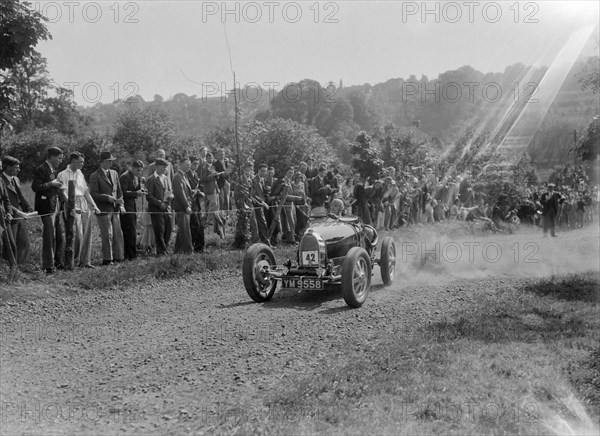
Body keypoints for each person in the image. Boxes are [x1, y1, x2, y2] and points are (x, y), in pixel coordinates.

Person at [56, 152, 101, 268]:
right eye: (80, 161)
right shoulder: (62, 174)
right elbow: (63, 193)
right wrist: (72, 206)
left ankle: (85, 261)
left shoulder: (80, 173)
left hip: (84, 203)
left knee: (87, 233)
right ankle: (73, 261)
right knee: (77, 233)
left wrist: (94, 206)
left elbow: (85, 192)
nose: (82, 164)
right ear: (73, 161)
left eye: (83, 161)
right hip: (71, 203)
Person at [32, 147, 65, 273]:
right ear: (51, 157)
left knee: (58, 236)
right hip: (46, 208)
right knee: (49, 237)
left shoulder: (52, 170)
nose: (60, 161)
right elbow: (36, 187)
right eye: (59, 158)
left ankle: (57, 263)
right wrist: (52, 184)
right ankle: (48, 266)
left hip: (55, 206)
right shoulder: (41, 169)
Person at [89, 151, 126, 265]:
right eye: (108, 161)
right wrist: (108, 198)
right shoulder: (94, 176)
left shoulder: (114, 173)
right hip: (103, 209)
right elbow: (94, 194)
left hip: (115, 209)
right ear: (101, 162)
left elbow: (119, 191)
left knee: (117, 234)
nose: (110, 164)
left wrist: (121, 204)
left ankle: (118, 257)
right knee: (107, 235)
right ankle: (107, 259)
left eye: (111, 161)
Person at [1, 156, 34, 265]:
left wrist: (28, 208)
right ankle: (10, 268)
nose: (18, 170)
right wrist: (16, 212)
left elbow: (20, 197)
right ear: (7, 167)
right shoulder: (2, 180)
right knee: (11, 243)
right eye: (16, 167)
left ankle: (21, 267)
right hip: (9, 215)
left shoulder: (16, 179)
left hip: (20, 214)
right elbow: (5, 201)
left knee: (23, 241)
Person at [146, 158, 173, 255]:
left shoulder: (166, 178)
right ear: (156, 166)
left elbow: (169, 191)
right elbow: (149, 196)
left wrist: (171, 196)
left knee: (168, 229)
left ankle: (165, 248)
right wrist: (159, 203)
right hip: (156, 209)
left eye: (166, 167)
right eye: (163, 167)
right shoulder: (151, 179)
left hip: (167, 207)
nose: (165, 169)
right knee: (159, 231)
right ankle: (161, 252)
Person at [119, 160, 145, 260]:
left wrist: (141, 188)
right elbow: (123, 192)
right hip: (125, 207)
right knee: (129, 232)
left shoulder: (136, 177)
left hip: (132, 207)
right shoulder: (125, 177)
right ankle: (129, 256)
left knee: (133, 231)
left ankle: (132, 254)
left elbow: (136, 189)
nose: (139, 172)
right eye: (138, 170)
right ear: (132, 168)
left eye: (141, 171)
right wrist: (136, 193)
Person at [198, 152, 225, 238]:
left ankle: (210, 220)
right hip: (209, 188)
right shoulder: (204, 167)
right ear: (206, 159)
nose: (211, 159)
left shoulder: (213, 166)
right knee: (212, 204)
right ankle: (209, 222)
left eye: (212, 158)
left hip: (215, 187)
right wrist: (212, 175)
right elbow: (203, 179)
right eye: (209, 158)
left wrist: (216, 175)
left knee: (212, 204)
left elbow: (215, 177)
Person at [172, 157, 194, 254]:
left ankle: (177, 251)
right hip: (181, 208)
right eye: (186, 165)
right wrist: (186, 206)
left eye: (189, 165)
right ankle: (188, 252)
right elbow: (180, 193)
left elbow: (186, 191)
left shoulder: (184, 175)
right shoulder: (178, 176)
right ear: (180, 164)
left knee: (182, 230)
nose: (188, 167)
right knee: (185, 231)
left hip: (185, 206)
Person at [0, 160, 17, 267]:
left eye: (1, 166)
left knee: (11, 244)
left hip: (3, 216)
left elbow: (6, 200)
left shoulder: (1, 180)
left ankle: (12, 271)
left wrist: (9, 213)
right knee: (0, 244)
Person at [187, 156, 205, 253]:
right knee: (195, 226)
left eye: (197, 164)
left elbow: (197, 188)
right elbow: (188, 189)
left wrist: (199, 192)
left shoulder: (196, 174)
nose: (196, 165)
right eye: (194, 163)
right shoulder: (187, 174)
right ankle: (192, 246)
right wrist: (196, 192)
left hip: (198, 203)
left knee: (201, 226)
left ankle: (200, 248)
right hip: (190, 203)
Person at [250, 164, 270, 245]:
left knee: (263, 223)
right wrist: (262, 202)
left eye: (265, 171)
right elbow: (253, 194)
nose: (264, 173)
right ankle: (266, 243)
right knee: (262, 224)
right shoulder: (254, 180)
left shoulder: (262, 179)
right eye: (262, 171)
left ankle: (264, 242)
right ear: (258, 170)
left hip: (262, 205)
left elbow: (262, 192)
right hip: (257, 205)